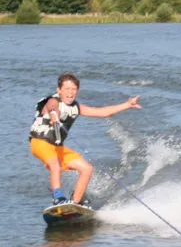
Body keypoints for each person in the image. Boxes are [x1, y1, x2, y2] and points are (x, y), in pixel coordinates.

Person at [30, 72, 141, 209]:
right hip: (40, 142)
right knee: (55, 165)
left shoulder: (76, 107)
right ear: (59, 90)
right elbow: (53, 108)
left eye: (73, 89)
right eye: (67, 89)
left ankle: (74, 204)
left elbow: (102, 112)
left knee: (86, 168)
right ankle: (58, 198)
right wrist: (54, 114)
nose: (70, 93)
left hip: (57, 147)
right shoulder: (52, 101)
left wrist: (127, 104)